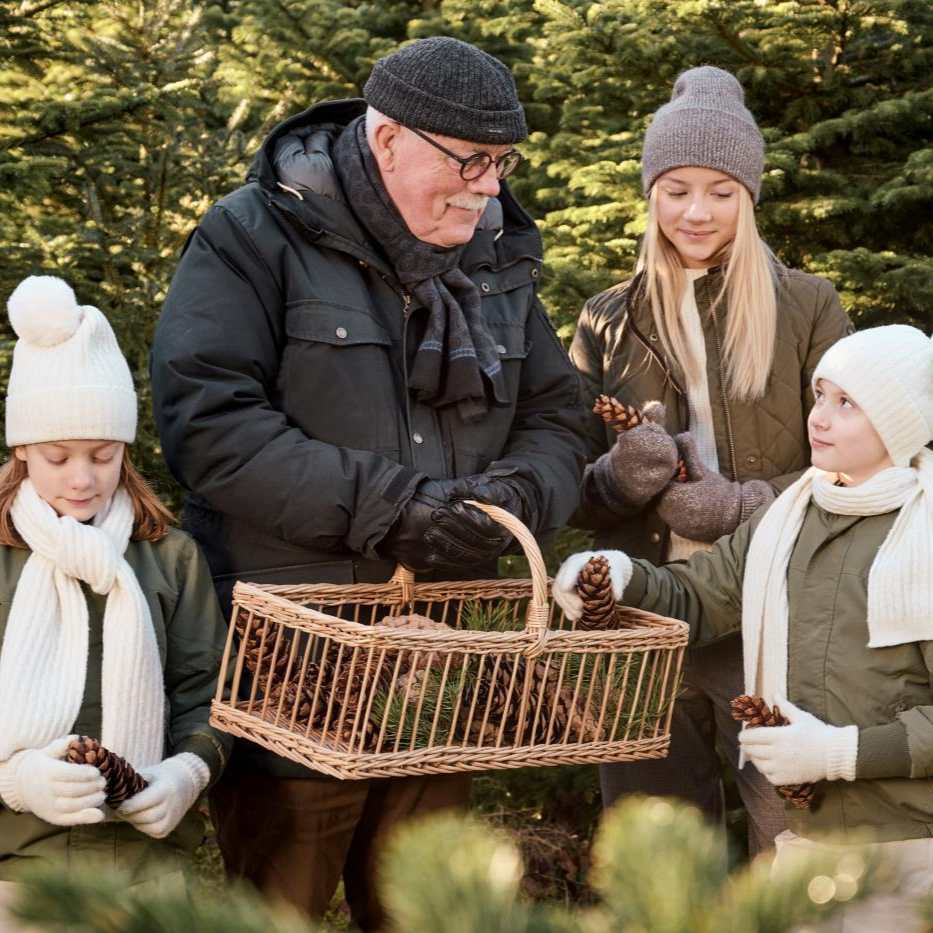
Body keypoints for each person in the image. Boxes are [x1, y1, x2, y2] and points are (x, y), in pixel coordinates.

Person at [149, 36, 587, 928]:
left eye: (501, 161)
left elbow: (559, 419)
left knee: (423, 911)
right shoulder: (251, 235)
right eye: (468, 160)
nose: (487, 186)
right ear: (388, 139)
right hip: (294, 664)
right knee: (279, 910)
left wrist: (508, 502)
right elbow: (210, 423)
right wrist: (393, 508)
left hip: (444, 666)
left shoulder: (496, 255)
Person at [554, 323, 933, 931]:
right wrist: (621, 575)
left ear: (897, 420)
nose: (818, 417)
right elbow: (701, 596)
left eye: (847, 403)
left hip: (910, 850)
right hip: (808, 842)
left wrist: (837, 753)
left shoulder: (924, 534)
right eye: (820, 395)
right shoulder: (789, 516)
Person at [568, 64, 853, 857]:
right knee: (656, 852)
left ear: (748, 196)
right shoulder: (606, 318)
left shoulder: (807, 305)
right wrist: (619, 478)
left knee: (794, 841)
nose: (696, 211)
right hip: (642, 618)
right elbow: (567, 484)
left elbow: (863, 461)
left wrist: (742, 505)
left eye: (720, 191)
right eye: (676, 189)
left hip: (771, 614)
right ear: (650, 192)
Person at [0, 275, 232, 923]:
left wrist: (188, 771)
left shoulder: (170, 557)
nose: (82, 478)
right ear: (22, 448)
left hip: (143, 873)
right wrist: (17, 779)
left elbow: (210, 694)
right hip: (15, 875)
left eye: (102, 456)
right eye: (58, 457)